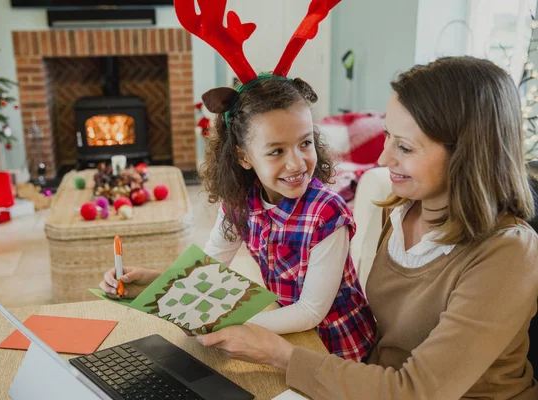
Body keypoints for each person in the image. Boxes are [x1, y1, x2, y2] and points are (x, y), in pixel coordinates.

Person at [193, 56, 538, 400]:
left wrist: (277, 353)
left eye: (404, 146)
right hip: (373, 379)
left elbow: (415, 391)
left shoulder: (508, 254)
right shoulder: (405, 210)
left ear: (467, 153)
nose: (384, 158)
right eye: (388, 137)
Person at [100, 74, 376, 361]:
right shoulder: (240, 202)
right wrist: (150, 282)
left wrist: (228, 324)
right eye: (276, 151)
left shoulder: (328, 213)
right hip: (288, 330)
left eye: (305, 143)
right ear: (244, 157)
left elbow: (309, 312)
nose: (296, 163)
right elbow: (209, 269)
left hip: (337, 348)